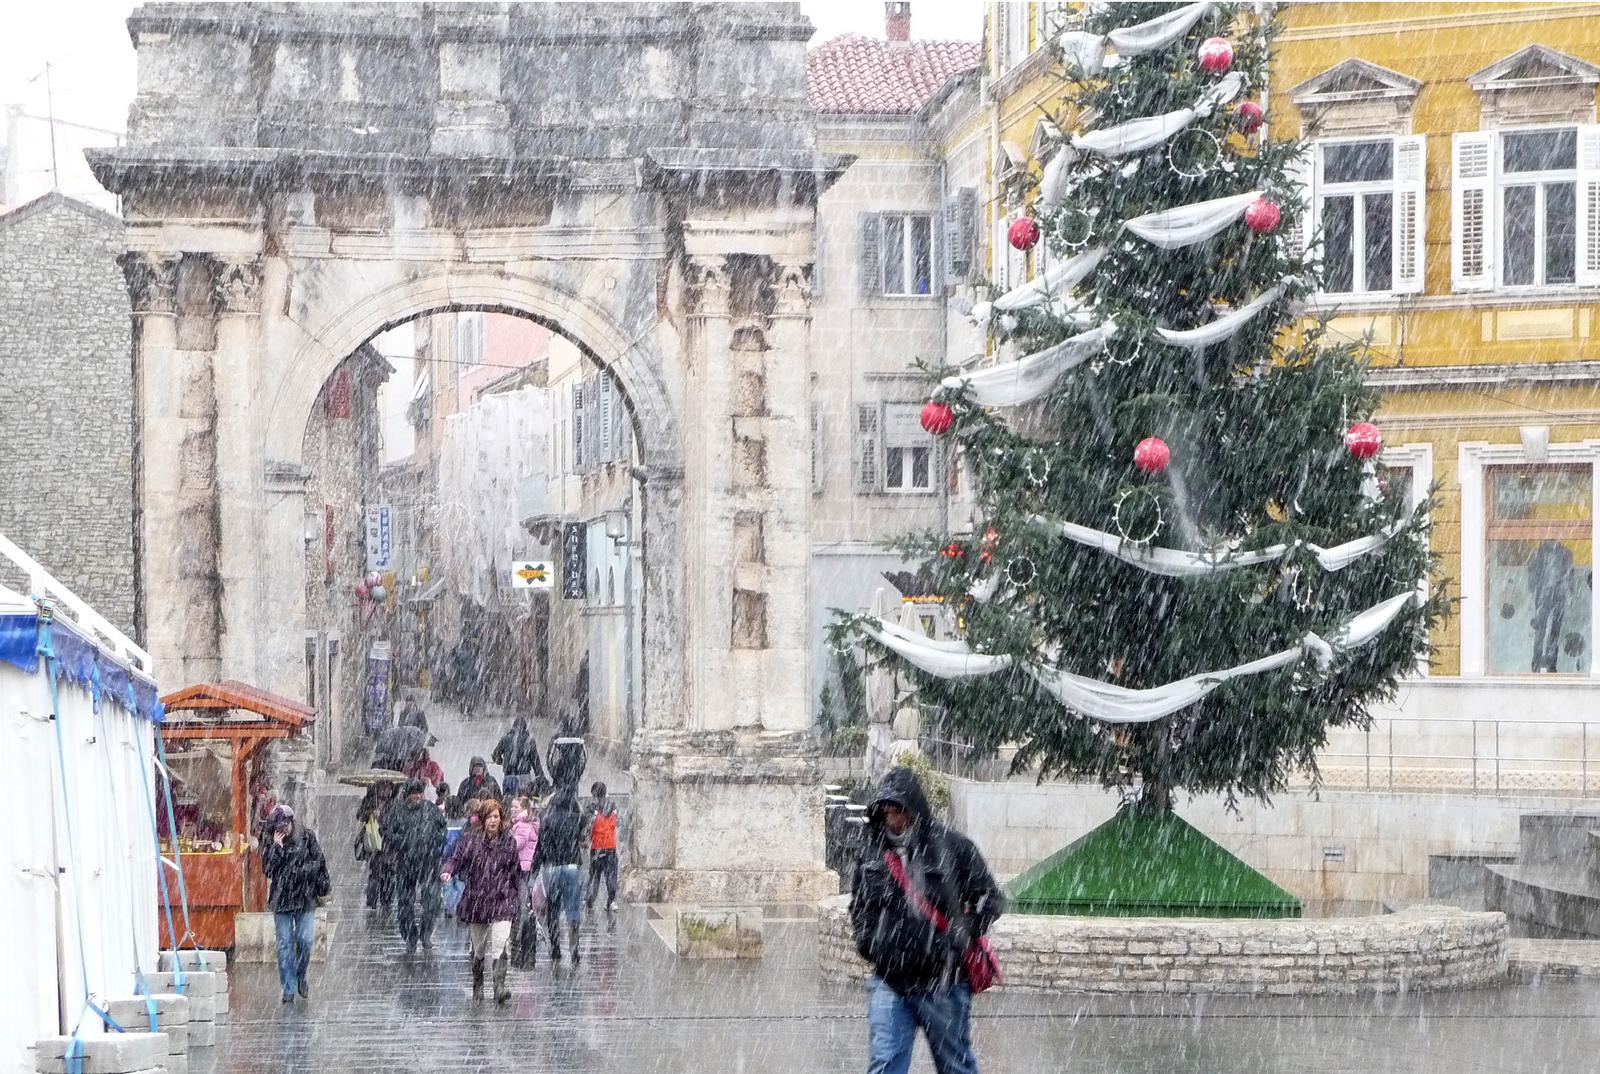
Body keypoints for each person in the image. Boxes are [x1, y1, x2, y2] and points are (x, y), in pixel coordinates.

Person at [850, 766, 1003, 1074]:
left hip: (942, 984)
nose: (893, 820)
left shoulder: (953, 847)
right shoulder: (872, 854)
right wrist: (871, 944)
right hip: (890, 981)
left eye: (899, 811)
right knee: (885, 1063)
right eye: (886, 812)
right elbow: (860, 908)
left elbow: (990, 899)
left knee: (954, 1065)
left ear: (913, 809)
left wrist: (957, 938)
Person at [441, 799, 522, 1002]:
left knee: (500, 943)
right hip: (477, 901)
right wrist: (447, 872)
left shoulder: (508, 841)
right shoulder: (470, 840)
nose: (493, 821)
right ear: (483, 819)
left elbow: (516, 872)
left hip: (502, 899)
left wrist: (522, 895)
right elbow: (456, 860)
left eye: (496, 817)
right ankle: (478, 984)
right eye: (489, 817)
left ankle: (499, 988)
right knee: (478, 949)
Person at [260, 805, 330, 1004]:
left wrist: (298, 873)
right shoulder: (271, 840)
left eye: (285, 825)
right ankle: (288, 988)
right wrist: (276, 848)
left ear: (292, 822)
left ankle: (301, 975)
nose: (283, 830)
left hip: (304, 897)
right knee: (284, 945)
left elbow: (318, 862)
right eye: (279, 826)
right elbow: (268, 870)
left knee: (305, 940)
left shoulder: (307, 837)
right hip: (281, 898)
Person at [383, 778, 448, 955]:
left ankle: (426, 933)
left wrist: (434, 842)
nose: (417, 797)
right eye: (413, 793)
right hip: (405, 862)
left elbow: (443, 830)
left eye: (419, 793)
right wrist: (402, 843)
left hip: (428, 862)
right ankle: (410, 937)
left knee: (432, 900)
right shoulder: (397, 811)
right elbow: (387, 831)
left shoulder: (431, 810)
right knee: (405, 903)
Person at [531, 784, 585, 963]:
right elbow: (582, 832)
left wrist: (534, 868)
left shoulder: (546, 819)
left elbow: (540, 847)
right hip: (571, 867)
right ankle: (574, 948)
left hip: (552, 868)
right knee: (573, 909)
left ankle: (555, 948)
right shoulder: (576, 818)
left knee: (553, 909)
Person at [356, 781, 399, 916]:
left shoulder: (394, 804)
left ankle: (386, 900)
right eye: (384, 787)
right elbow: (360, 815)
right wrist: (370, 813)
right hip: (374, 843)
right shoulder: (370, 800)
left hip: (389, 844)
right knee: (375, 873)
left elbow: (397, 821)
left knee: (388, 873)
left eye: (389, 787)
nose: (387, 790)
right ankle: (372, 900)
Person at [585, 781, 619, 914]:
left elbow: (588, 827)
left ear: (594, 793)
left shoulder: (591, 809)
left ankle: (589, 900)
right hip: (611, 847)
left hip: (597, 848)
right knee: (611, 876)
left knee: (594, 876)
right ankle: (611, 901)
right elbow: (617, 823)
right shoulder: (613, 807)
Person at [492, 715, 542, 798]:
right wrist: (540, 777)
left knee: (510, 801)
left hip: (509, 776)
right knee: (524, 800)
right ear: (525, 727)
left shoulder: (505, 739)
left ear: (513, 726)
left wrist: (503, 762)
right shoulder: (529, 741)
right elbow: (536, 763)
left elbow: (495, 755)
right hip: (524, 777)